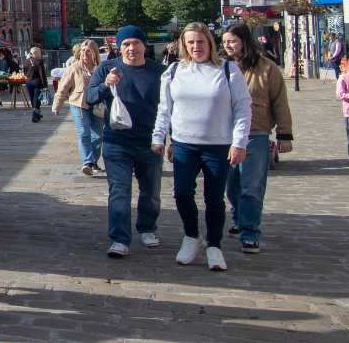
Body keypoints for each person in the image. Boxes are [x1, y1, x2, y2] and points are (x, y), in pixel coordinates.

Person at [151, 23, 251, 272]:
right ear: (184, 45)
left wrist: (239, 142)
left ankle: (214, 246)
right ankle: (192, 236)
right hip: (185, 143)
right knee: (182, 193)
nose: (196, 47)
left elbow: (243, 107)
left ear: (210, 43)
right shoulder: (174, 71)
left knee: (214, 198)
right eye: (191, 42)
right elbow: (165, 108)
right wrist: (159, 136)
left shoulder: (227, 69)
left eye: (201, 41)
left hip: (218, 145)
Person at [86, 26, 167, 259]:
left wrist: (166, 138)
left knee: (151, 191)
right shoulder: (106, 68)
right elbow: (90, 98)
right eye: (126, 44)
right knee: (119, 191)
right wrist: (105, 85)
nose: (131, 48)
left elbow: (170, 107)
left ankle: (148, 228)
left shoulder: (160, 71)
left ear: (144, 45)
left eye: (136, 43)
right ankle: (119, 238)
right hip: (116, 141)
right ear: (119, 48)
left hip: (149, 142)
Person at [221, 24, 292, 253]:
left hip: (256, 132)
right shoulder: (219, 66)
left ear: (243, 40)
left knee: (251, 184)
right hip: (223, 134)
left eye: (232, 41)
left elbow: (279, 101)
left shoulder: (266, 67)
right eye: (224, 42)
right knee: (231, 184)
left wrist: (284, 133)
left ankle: (250, 232)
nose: (227, 46)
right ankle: (238, 217)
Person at [51, 40, 104, 176]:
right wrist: (57, 105)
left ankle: (94, 161)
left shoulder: (101, 68)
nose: (84, 53)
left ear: (94, 52)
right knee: (84, 133)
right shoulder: (74, 68)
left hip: (98, 105)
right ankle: (87, 162)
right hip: (79, 104)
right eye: (82, 51)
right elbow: (63, 88)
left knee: (97, 136)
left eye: (88, 51)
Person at [23, 48, 49, 123]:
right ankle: (34, 115)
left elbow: (24, 72)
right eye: (40, 52)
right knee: (37, 99)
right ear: (37, 53)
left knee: (32, 98)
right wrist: (45, 85)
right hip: (37, 81)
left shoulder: (26, 61)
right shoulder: (39, 61)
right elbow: (42, 74)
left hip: (28, 81)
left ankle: (37, 113)